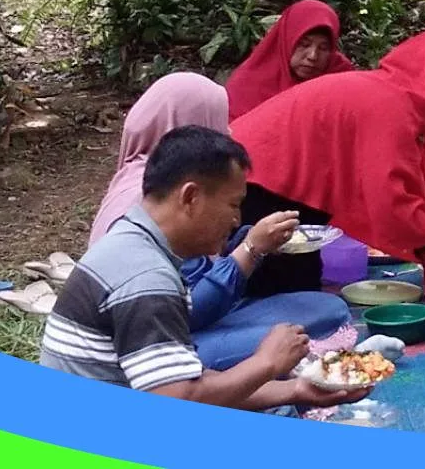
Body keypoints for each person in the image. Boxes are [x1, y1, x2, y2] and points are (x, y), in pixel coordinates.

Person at [41, 126, 369, 413]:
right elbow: (176, 403)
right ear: (191, 197)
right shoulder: (146, 276)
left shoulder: (136, 241)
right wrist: (266, 363)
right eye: (232, 205)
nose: (237, 220)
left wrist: (295, 390)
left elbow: (187, 380)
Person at [85, 72, 354, 369]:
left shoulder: (148, 178)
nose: (227, 130)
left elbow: (195, 272)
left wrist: (256, 239)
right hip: (158, 347)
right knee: (297, 335)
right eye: (217, 120)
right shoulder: (152, 201)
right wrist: (250, 250)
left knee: (326, 308)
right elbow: (187, 313)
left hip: (182, 320)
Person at [229, 28, 425, 299]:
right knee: (285, 297)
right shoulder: (392, 106)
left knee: (303, 283)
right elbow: (389, 201)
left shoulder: (395, 94)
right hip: (255, 178)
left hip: (274, 178)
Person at [225, 0, 354, 121]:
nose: (312, 56)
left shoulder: (340, 78)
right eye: (304, 45)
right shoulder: (249, 82)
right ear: (287, 40)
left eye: (323, 48)